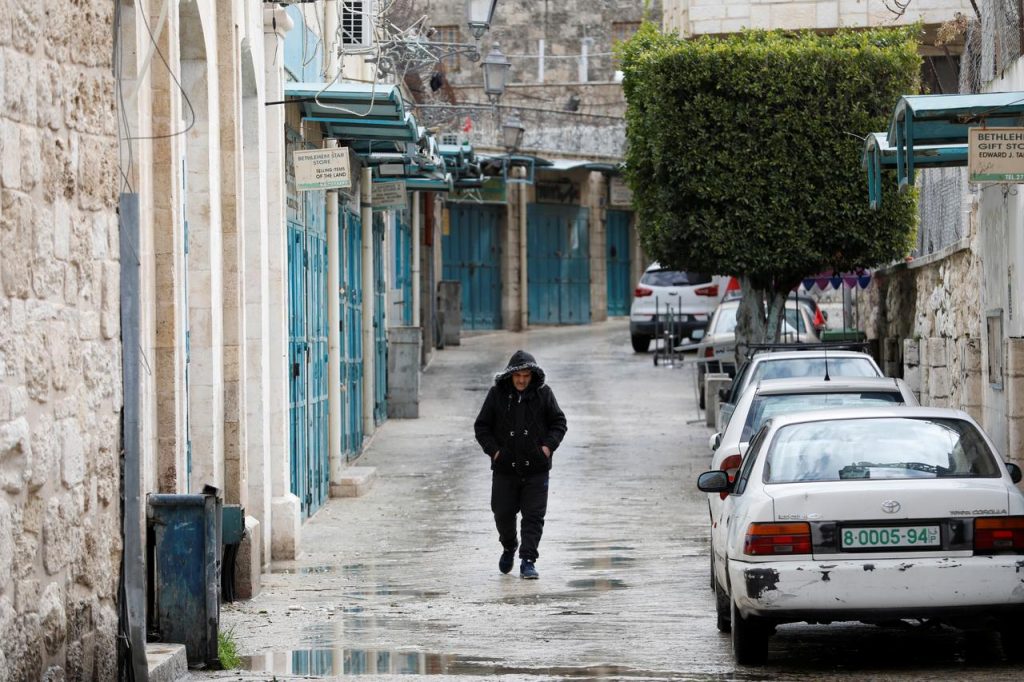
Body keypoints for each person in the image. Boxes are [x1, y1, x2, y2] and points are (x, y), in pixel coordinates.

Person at [474, 350, 567, 579]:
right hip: (505, 469)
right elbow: (482, 427)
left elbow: (559, 423)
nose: (522, 380)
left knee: (533, 516)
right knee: (502, 513)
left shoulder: (544, 395)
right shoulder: (497, 395)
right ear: (510, 376)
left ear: (533, 376)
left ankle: (528, 560)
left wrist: (546, 448)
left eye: (526, 375)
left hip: (536, 469)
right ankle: (509, 545)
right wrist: (495, 453)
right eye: (518, 376)